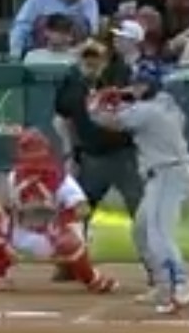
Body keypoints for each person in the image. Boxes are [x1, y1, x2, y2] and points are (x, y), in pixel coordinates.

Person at [89, 65, 189, 314]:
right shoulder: (166, 103)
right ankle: (163, 286)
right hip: (166, 174)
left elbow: (107, 121)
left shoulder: (147, 112)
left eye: (140, 84)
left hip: (168, 174)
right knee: (141, 230)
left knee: (159, 234)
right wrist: (122, 99)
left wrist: (97, 103)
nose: (135, 87)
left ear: (151, 85)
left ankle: (181, 284)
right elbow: (131, 108)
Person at [0, 129, 120, 294]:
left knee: (68, 241)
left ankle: (92, 279)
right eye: (29, 152)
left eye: (36, 152)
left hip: (53, 233)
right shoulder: (14, 176)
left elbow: (83, 208)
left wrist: (58, 221)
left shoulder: (61, 178)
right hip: (24, 229)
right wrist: (3, 241)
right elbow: (6, 207)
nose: (33, 159)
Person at [50, 39, 146, 284]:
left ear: (105, 59)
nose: (91, 64)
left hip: (124, 157)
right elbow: (62, 119)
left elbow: (136, 111)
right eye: (87, 59)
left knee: (143, 214)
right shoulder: (71, 82)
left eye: (96, 59)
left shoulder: (120, 74)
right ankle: (71, 263)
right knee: (76, 211)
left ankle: (157, 269)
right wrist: (70, 152)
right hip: (91, 158)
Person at [9, 0, 99, 60]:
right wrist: (15, 54)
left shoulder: (88, 0)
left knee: (80, 21)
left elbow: (93, 31)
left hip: (76, 53)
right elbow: (21, 26)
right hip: (41, 53)